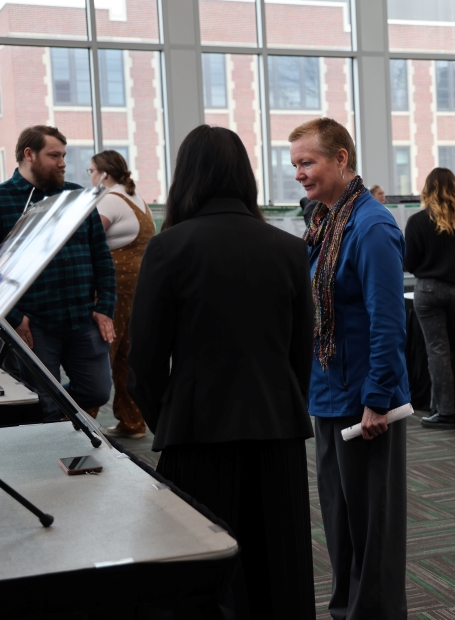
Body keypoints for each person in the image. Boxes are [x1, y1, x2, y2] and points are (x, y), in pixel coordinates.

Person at [129, 125, 315, 617]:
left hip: (196, 437)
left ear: (185, 175)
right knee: (281, 568)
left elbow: (143, 363)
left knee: (203, 578)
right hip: (277, 434)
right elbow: (300, 357)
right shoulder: (289, 250)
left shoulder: (169, 248)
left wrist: (168, 416)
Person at [292, 117, 409, 619]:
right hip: (329, 394)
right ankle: (346, 610)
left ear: (341, 159)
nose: (299, 172)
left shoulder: (371, 225)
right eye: (295, 163)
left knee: (371, 528)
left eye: (308, 161)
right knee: (341, 525)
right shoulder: (326, 222)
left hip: (366, 403)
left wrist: (378, 397)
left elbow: (389, 321)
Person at [0, 125, 115, 421]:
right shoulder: (1, 200)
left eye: (63, 155)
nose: (63, 162)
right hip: (33, 324)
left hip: (82, 319)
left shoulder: (77, 196)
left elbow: (101, 256)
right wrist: (15, 318)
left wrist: (105, 308)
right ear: (29, 155)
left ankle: (48, 405)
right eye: (54, 155)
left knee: (98, 390)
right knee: (45, 406)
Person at [404, 168, 455, 430]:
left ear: (427, 189)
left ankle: (446, 412)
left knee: (437, 351)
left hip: (428, 291)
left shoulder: (417, 221)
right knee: (452, 351)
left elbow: (409, 262)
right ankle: (441, 407)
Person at [89, 150, 155, 439]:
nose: (89, 177)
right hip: (137, 287)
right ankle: (132, 422)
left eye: (91, 171)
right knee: (127, 356)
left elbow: (87, 240)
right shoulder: (136, 199)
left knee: (100, 354)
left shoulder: (109, 200)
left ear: (103, 173)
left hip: (112, 288)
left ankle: (86, 424)